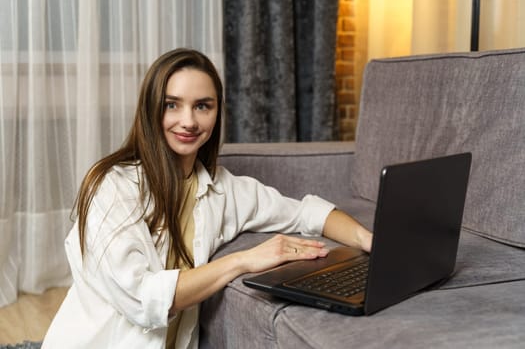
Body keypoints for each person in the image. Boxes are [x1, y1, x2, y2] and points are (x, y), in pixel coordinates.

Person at [42, 48, 372, 349]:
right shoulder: (112, 187)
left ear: (216, 113)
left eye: (202, 106)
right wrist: (242, 261)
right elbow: (144, 300)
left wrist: (367, 239)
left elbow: (307, 213)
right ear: (150, 109)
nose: (188, 121)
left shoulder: (225, 190)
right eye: (172, 104)